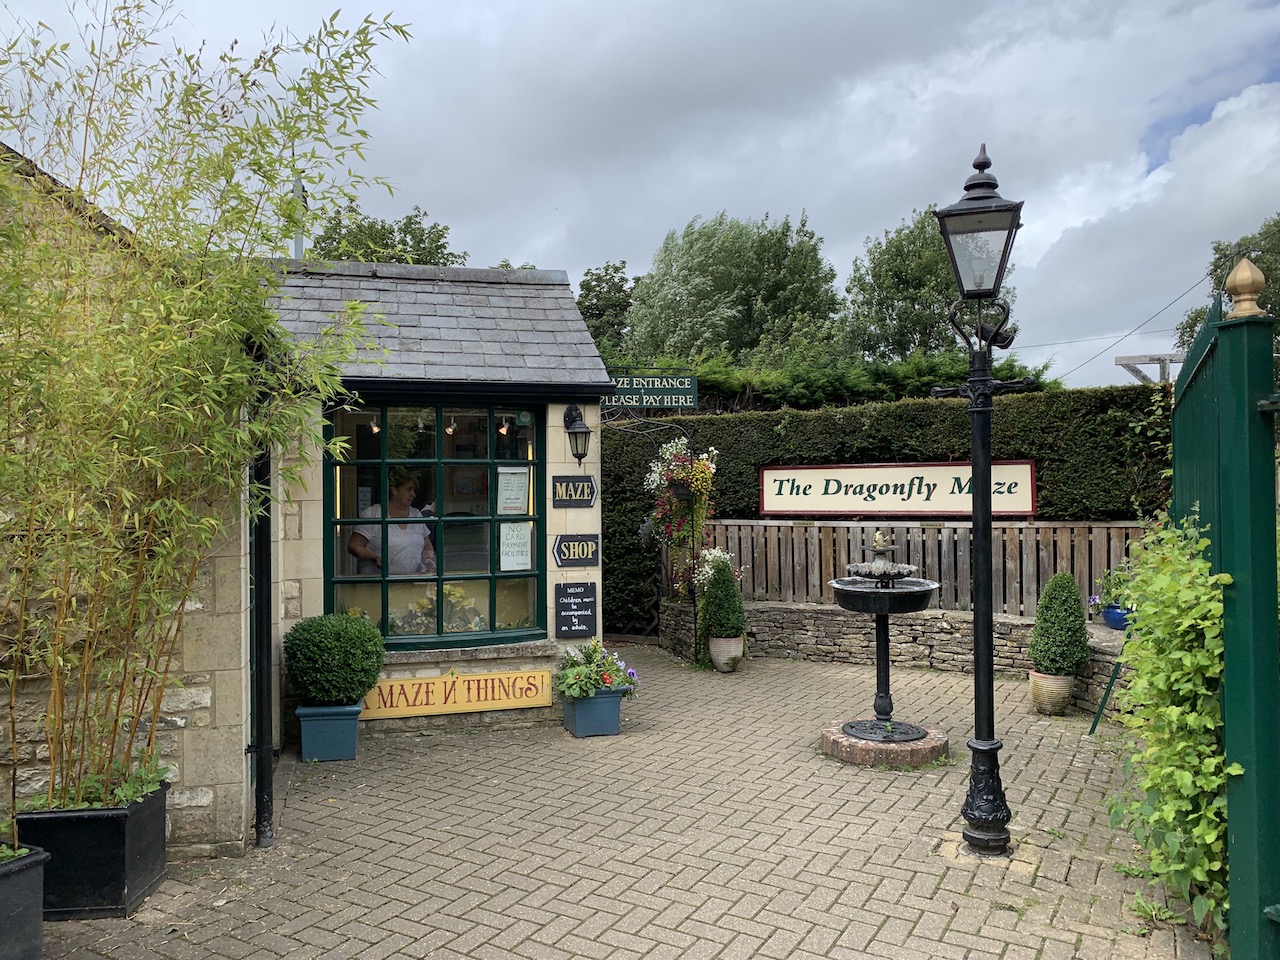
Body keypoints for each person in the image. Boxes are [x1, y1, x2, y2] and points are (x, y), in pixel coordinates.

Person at [347, 469, 436, 575]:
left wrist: (428, 559)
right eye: (409, 490)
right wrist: (374, 556)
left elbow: (427, 545)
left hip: (412, 580)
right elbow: (354, 545)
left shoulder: (416, 514)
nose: (413, 494)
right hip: (379, 580)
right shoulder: (373, 514)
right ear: (394, 490)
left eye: (414, 490)